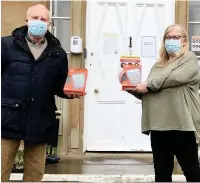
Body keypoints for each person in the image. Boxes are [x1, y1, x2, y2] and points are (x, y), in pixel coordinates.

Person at [1, 4, 79, 182]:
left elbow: (59, 87)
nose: (39, 22)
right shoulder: (5, 46)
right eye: (35, 18)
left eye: (43, 19)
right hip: (8, 119)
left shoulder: (58, 53)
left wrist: (70, 93)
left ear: (49, 24)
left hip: (40, 120)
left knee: (34, 175)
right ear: (26, 21)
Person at [127, 24, 200, 182]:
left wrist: (148, 84)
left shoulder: (189, 59)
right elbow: (151, 92)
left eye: (175, 37)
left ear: (184, 41)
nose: (171, 40)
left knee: (192, 172)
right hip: (158, 126)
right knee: (161, 174)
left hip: (181, 125)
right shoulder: (157, 66)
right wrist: (132, 88)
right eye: (168, 37)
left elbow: (176, 78)